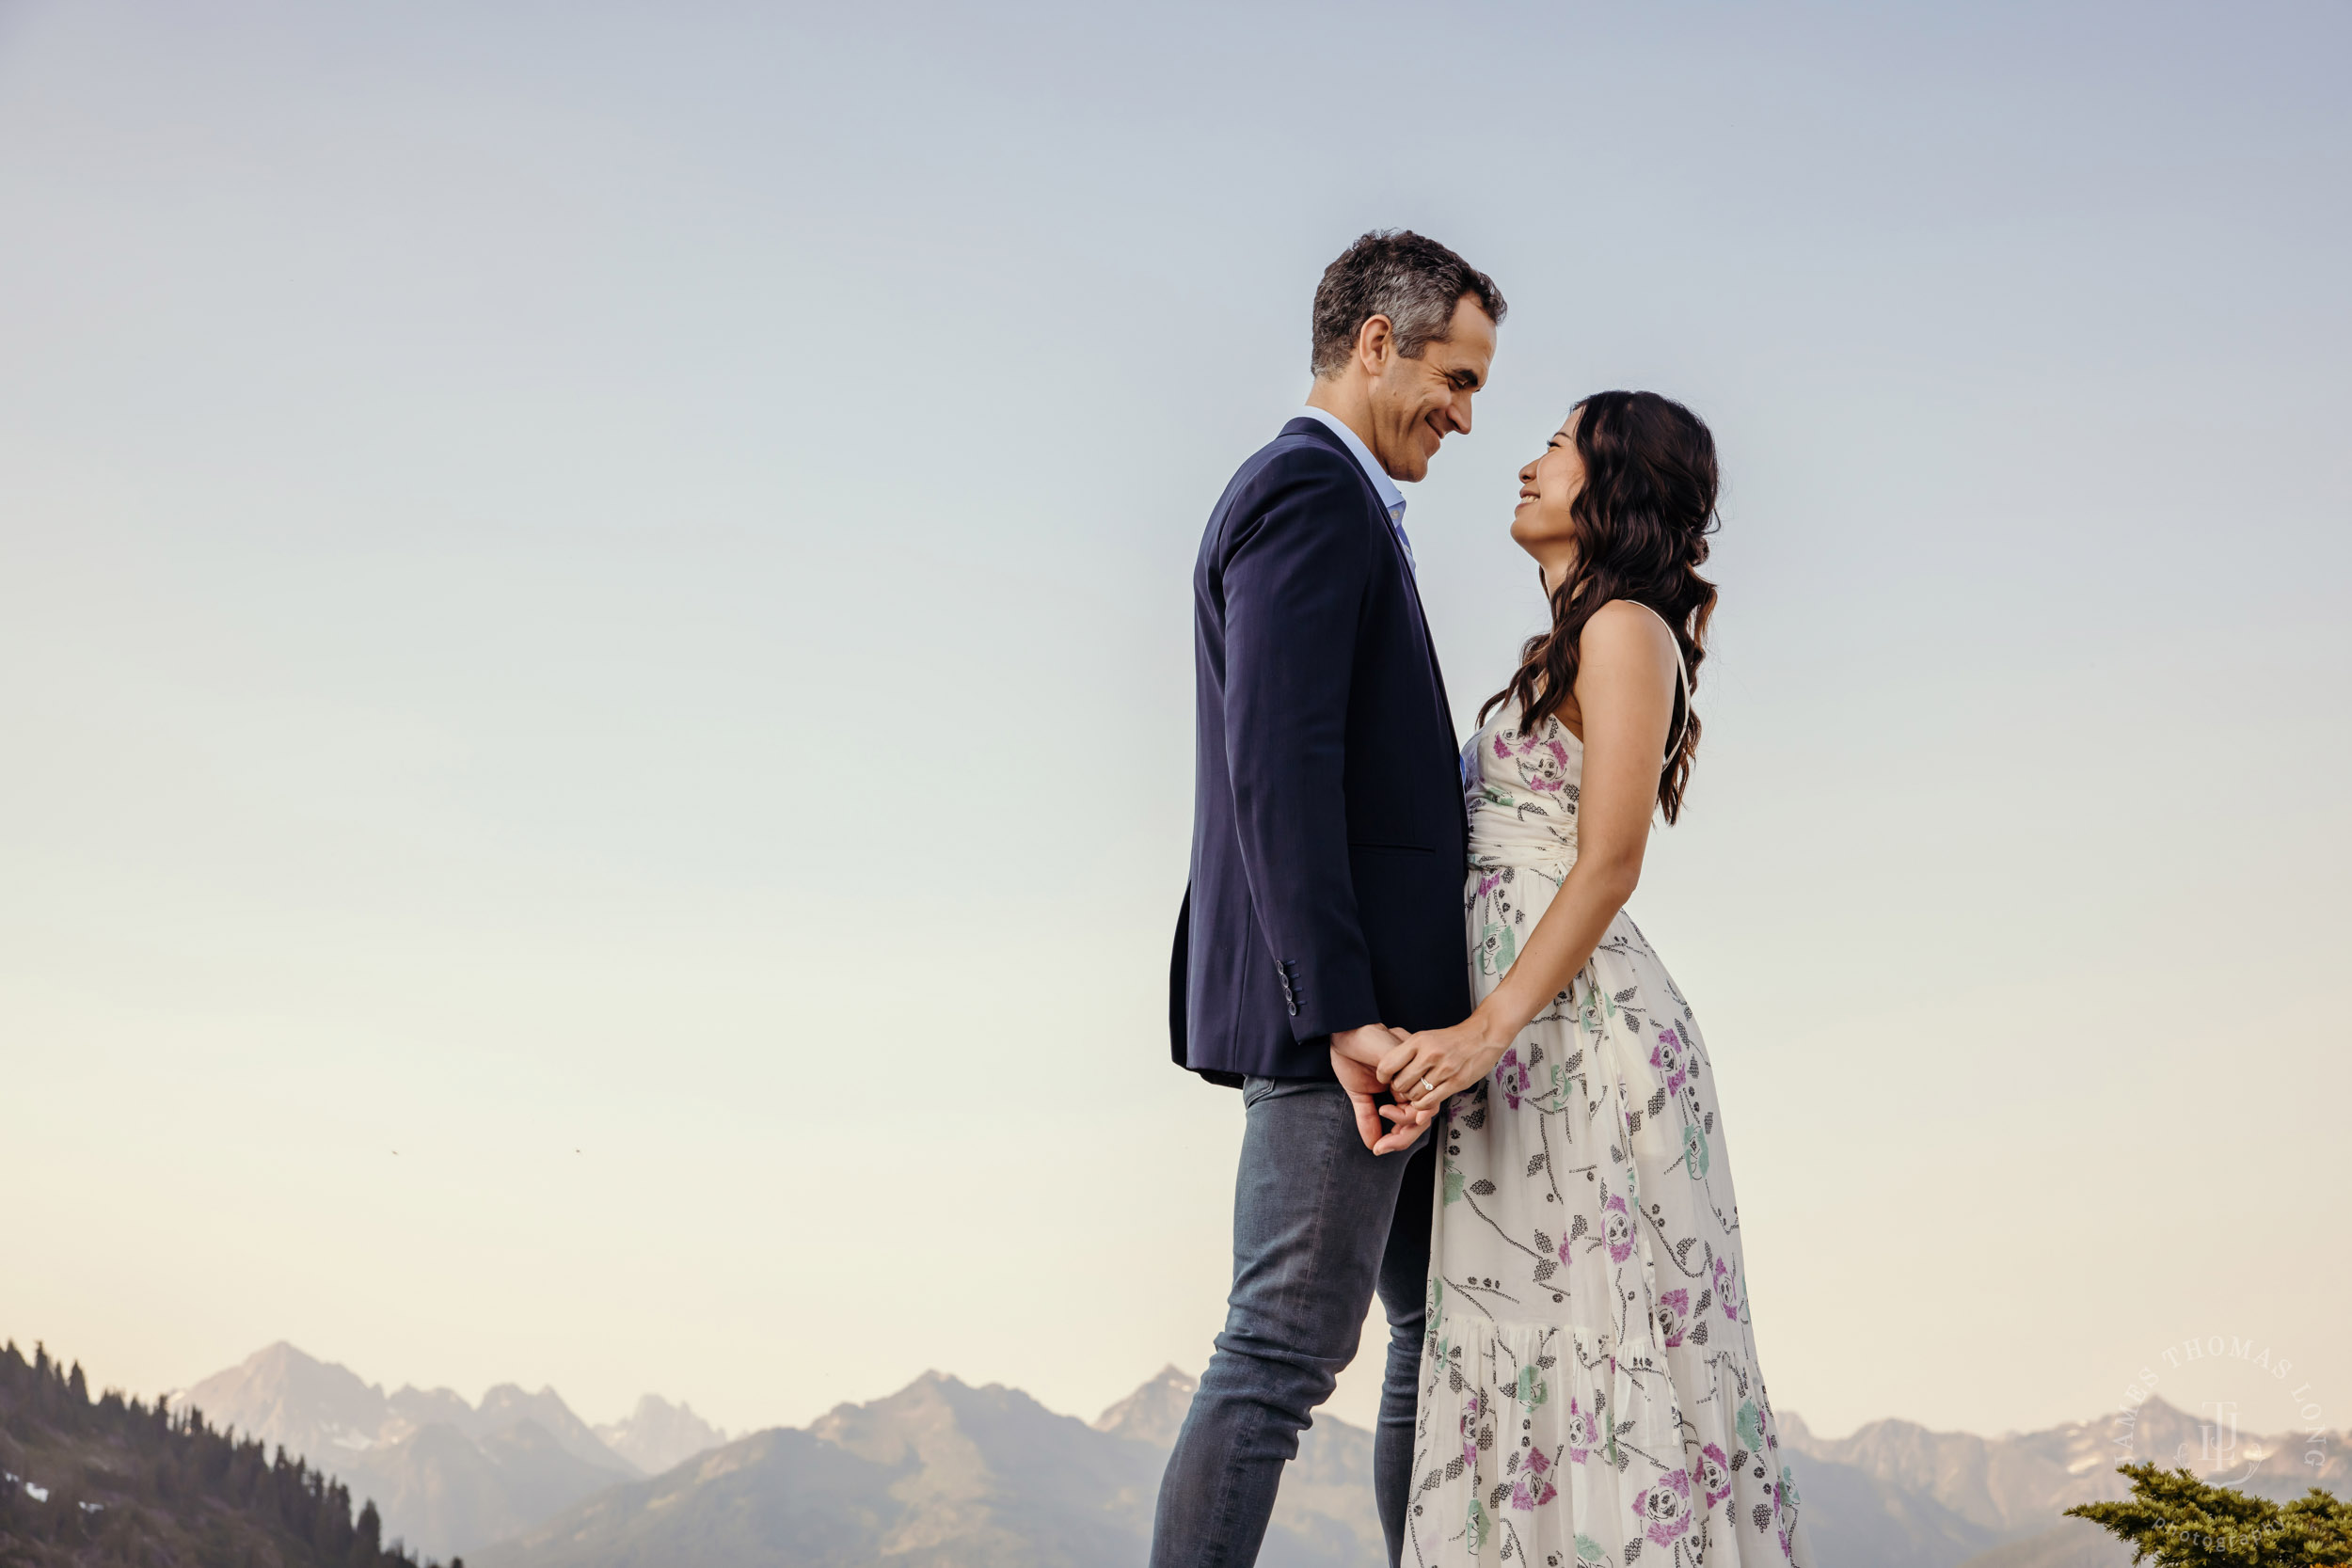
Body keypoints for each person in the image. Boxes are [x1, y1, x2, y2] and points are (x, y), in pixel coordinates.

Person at [1373, 392, 1815, 1565]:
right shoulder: (1563, 642)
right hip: (1528, 1031)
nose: (1524, 461)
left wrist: (1480, 1032)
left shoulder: (1624, 629)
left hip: (1574, 1036)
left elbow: (1609, 860)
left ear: (1612, 483)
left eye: (1556, 444)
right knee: (1522, 1345)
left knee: (1602, 1352)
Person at [1154, 230, 1505, 1567]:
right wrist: (1343, 1011)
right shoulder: (1310, 494)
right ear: (1376, 342)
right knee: (1277, 1352)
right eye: (1455, 379)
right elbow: (1278, 766)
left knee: (1431, 1327)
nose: (1466, 416)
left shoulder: (1344, 503)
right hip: (1341, 1027)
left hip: (1393, 1026)